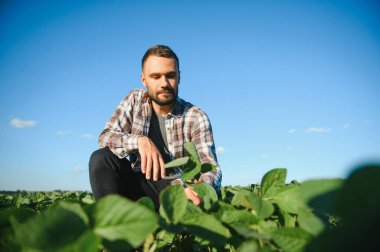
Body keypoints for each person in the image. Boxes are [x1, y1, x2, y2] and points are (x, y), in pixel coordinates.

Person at [89, 45, 222, 209]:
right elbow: (105, 137)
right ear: (144, 80)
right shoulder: (134, 100)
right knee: (101, 158)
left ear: (179, 77)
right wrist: (140, 141)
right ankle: (112, 224)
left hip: (179, 189)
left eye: (170, 76)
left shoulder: (196, 117)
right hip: (141, 185)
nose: (164, 83)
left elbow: (211, 169)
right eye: (155, 76)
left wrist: (198, 188)